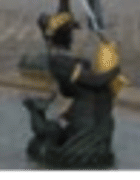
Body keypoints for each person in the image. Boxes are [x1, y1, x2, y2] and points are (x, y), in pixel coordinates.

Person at [22, 11, 123, 169]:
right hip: (86, 118)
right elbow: (94, 81)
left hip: (87, 111)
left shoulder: (66, 60)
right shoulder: (60, 62)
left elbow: (75, 87)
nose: (72, 37)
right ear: (62, 37)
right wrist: (113, 71)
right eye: (68, 33)